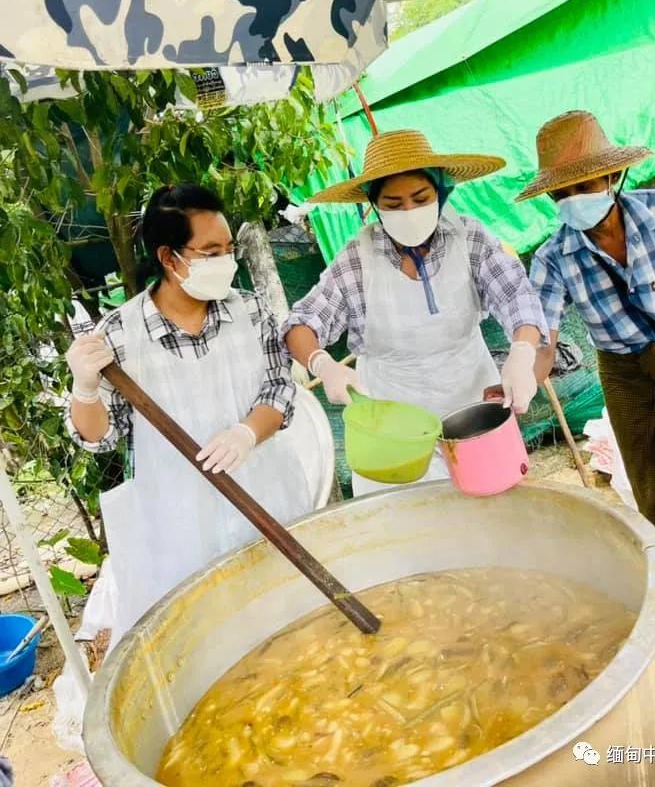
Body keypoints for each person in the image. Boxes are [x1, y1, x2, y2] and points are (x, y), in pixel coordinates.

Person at [66, 184, 312, 638]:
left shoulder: (250, 311)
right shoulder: (120, 335)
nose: (226, 260)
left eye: (229, 248)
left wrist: (246, 433)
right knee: (212, 640)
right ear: (169, 257)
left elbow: (279, 388)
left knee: (295, 622)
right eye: (210, 251)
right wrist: (85, 389)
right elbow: (98, 438)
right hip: (179, 521)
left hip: (267, 496)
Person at [519, 110, 655, 597]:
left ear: (612, 175)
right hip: (630, 379)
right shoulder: (553, 258)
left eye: (582, 186)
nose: (573, 201)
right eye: (561, 193)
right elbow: (540, 336)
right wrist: (521, 379)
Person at [283, 129, 548, 496]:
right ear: (375, 205)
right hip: (394, 436)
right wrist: (321, 363)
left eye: (420, 198)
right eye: (393, 204)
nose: (408, 211)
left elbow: (517, 294)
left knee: (491, 522)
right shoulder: (357, 260)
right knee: (411, 535)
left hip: (474, 417)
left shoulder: (469, 238)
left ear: (440, 192)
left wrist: (522, 352)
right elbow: (300, 323)